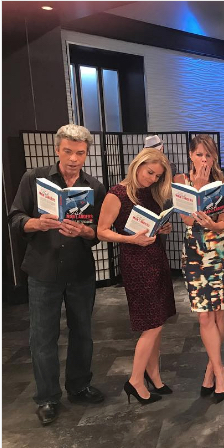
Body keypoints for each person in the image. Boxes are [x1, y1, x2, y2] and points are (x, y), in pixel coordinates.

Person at [8, 124, 106, 426]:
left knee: (83, 332)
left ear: (86, 153)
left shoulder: (94, 186)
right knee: (42, 337)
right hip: (43, 269)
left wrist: (85, 231)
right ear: (57, 150)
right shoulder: (34, 179)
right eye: (68, 151)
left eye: (80, 153)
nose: (74, 159)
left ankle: (79, 386)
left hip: (80, 270)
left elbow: (99, 232)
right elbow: (15, 218)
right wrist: (37, 223)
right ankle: (47, 397)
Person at [97, 148, 176, 405]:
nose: (152, 179)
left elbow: (148, 226)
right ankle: (135, 380)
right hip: (136, 263)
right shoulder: (117, 193)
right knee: (152, 324)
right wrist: (130, 239)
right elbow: (101, 231)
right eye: (149, 172)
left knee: (158, 320)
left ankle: (154, 375)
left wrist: (161, 228)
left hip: (156, 257)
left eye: (157, 176)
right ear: (137, 165)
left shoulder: (150, 192)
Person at [173, 135, 224, 403]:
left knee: (218, 313)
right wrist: (197, 185)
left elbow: (222, 223)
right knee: (203, 315)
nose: (204, 160)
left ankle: (213, 370)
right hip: (194, 252)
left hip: (219, 251)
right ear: (191, 155)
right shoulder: (180, 181)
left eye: (209, 155)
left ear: (215, 157)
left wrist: (212, 223)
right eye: (199, 154)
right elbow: (187, 220)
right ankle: (219, 369)